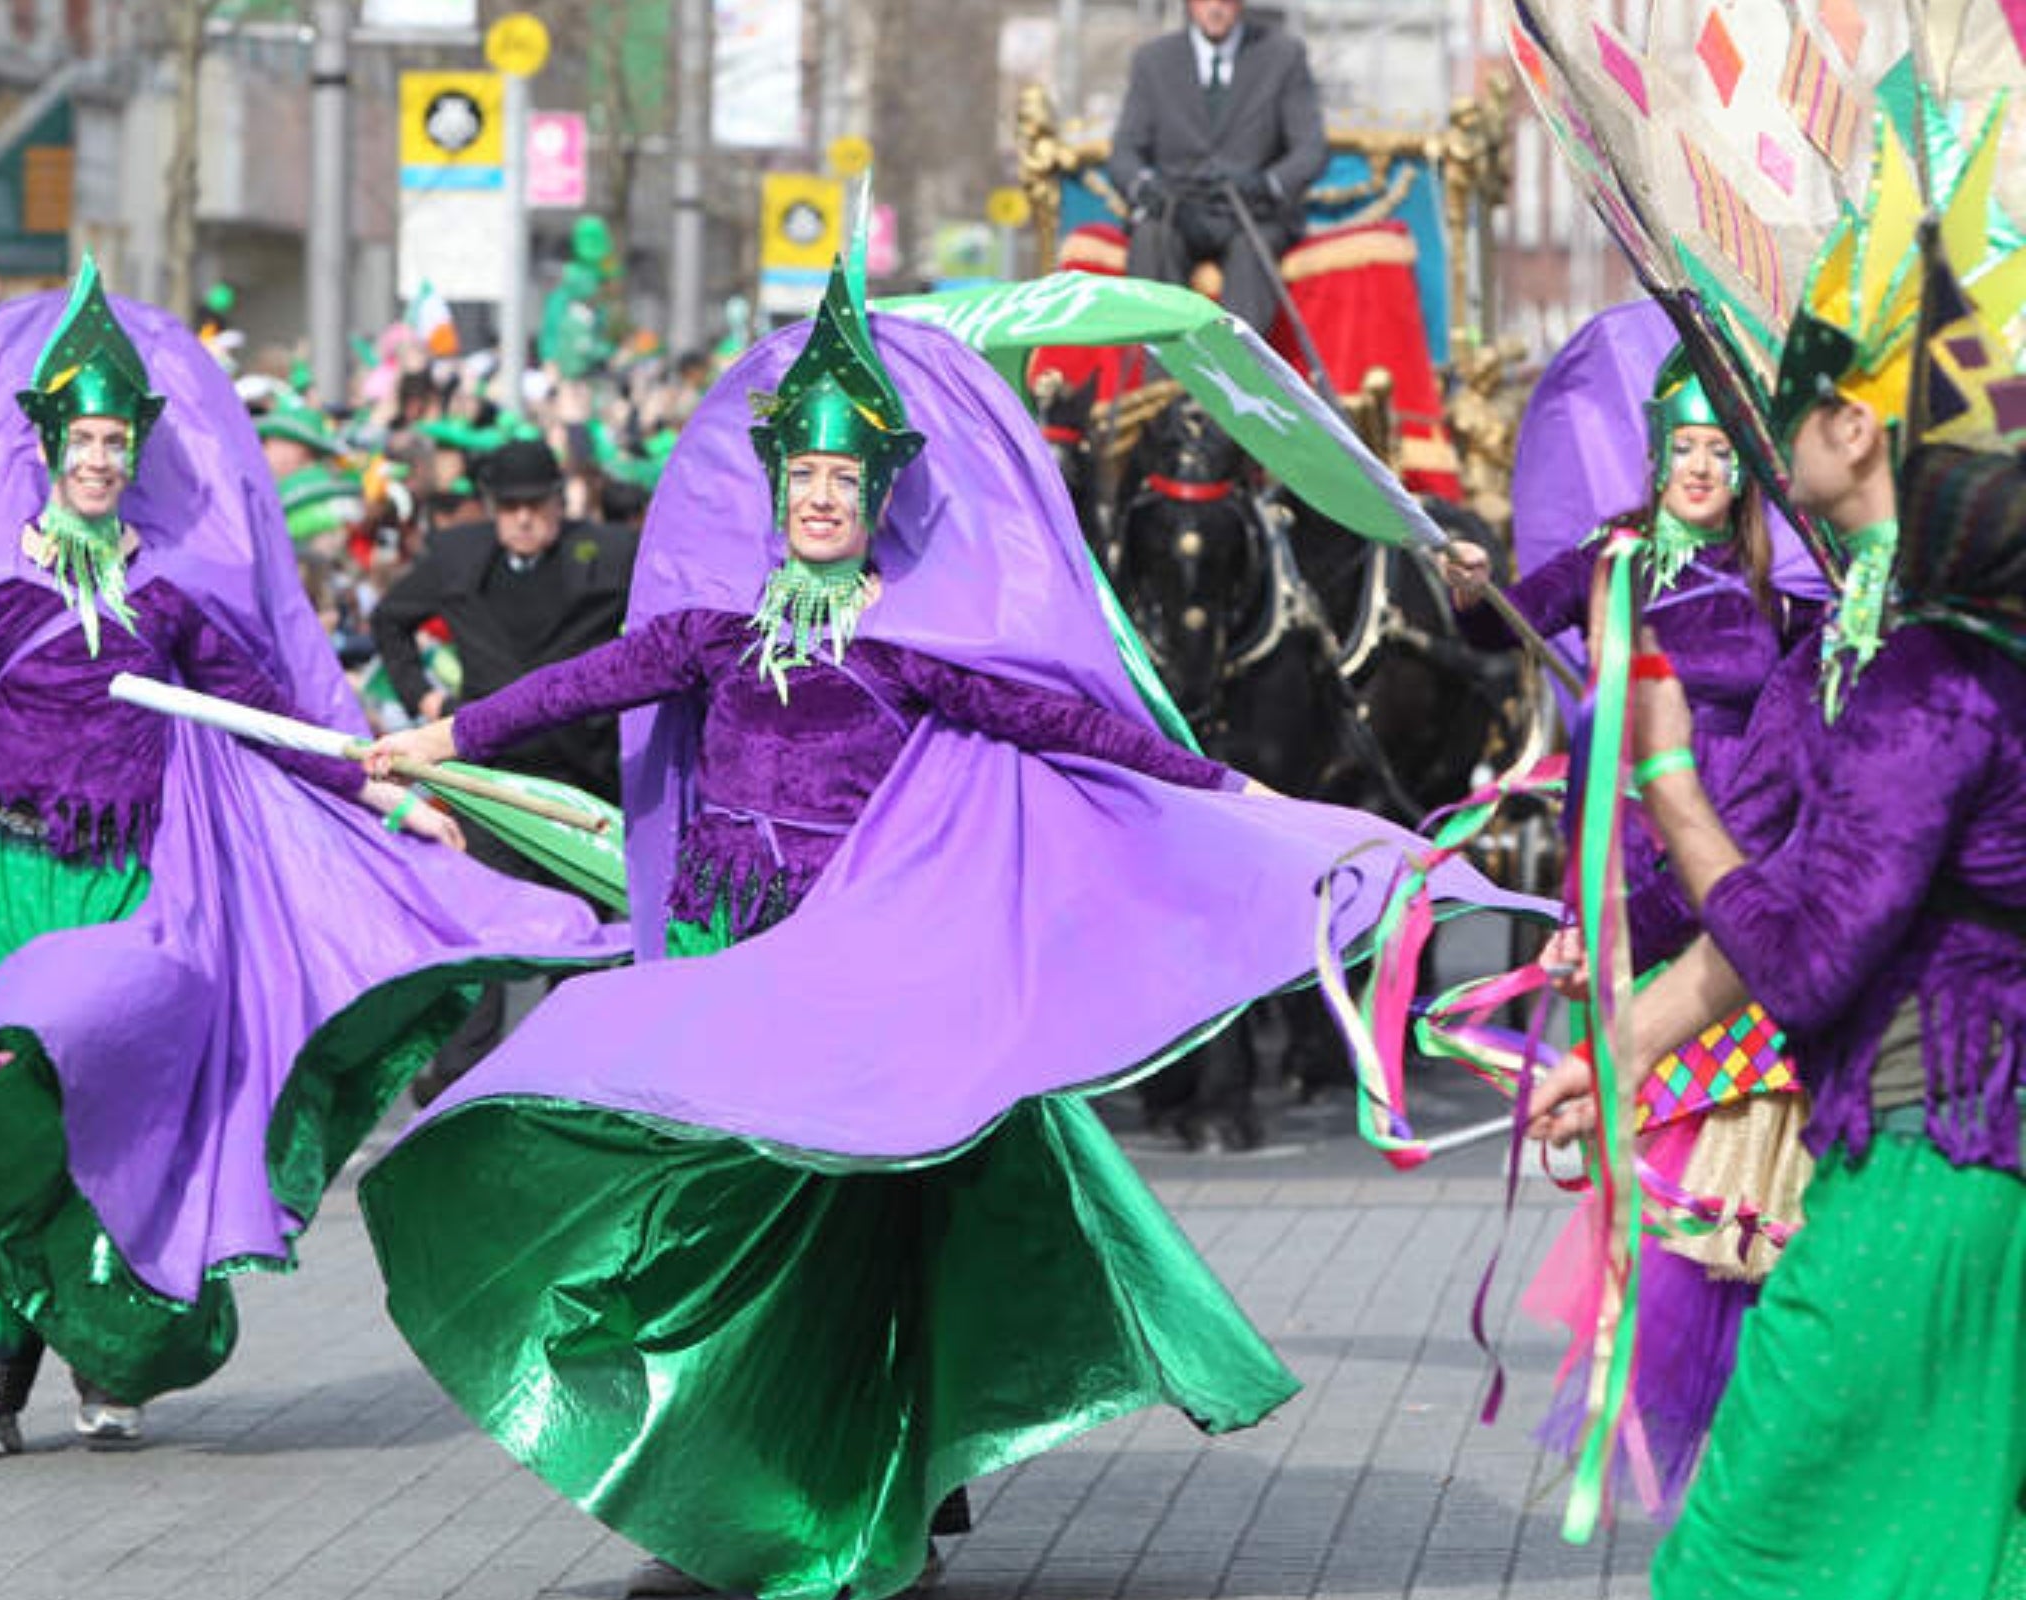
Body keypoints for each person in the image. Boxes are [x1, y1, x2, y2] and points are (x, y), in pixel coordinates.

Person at [355, 243, 1538, 1599]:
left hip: (875, 975)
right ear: (776, 491)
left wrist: (1231, 789)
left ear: (875, 500)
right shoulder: (711, 629)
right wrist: (437, 738)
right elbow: (584, 682)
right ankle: (724, 1490)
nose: (819, 498)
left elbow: (1070, 727)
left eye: (842, 482)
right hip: (737, 959)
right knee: (723, 1216)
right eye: (803, 477)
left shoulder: (915, 647)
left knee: (860, 1238)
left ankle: (877, 1502)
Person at [0, 258, 626, 1459]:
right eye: (81, 440)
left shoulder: (172, 601)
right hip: (0, 882)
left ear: (133, 451)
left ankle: (115, 1352)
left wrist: (386, 796)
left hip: (127, 890)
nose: (97, 459)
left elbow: (270, 723)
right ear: (48, 447)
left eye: (113, 442)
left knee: (116, 1118)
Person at [1529, 192, 2026, 1596]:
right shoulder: (1893, 639)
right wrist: (1619, 1050)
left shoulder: (1935, 671)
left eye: (1780, 403)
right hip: (1940, 1159)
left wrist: (1669, 782)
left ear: (1855, 429)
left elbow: (1805, 956)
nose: (1756, 434)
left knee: (1741, 1557)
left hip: (1938, 1167)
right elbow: (1811, 881)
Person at [1440, 346, 1809, 1515]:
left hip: (1735, 868)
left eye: (1718, 452)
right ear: (1655, 457)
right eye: (1682, 448)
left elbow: (1813, 717)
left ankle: (1764, 1429)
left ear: (1744, 473)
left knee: (1746, 1168)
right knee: (1661, 1160)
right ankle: (1722, 1453)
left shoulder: (1781, 588)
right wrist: (1467, 583)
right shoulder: (1611, 563)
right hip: (1630, 874)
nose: (1698, 467)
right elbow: (1503, 624)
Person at [366, 436, 637, 1085]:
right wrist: (424, 697)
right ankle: (457, 1082)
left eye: (535, 504)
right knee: (482, 932)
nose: (523, 518)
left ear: (559, 502)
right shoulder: (460, 556)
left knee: (581, 942)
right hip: (487, 779)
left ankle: (571, 1082)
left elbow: (663, 628)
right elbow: (390, 620)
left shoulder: (608, 554)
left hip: (579, 780)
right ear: (491, 506)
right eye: (510, 506)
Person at [1108, 0, 1327, 327]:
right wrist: (1144, 187)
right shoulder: (1153, 60)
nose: (1215, 8)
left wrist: (1267, 184)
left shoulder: (1283, 56)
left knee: (1252, 253)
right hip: (1178, 209)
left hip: (1251, 211)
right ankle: (1158, 358)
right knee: (1152, 240)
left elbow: (1310, 149)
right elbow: (1124, 151)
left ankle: (1237, 358)